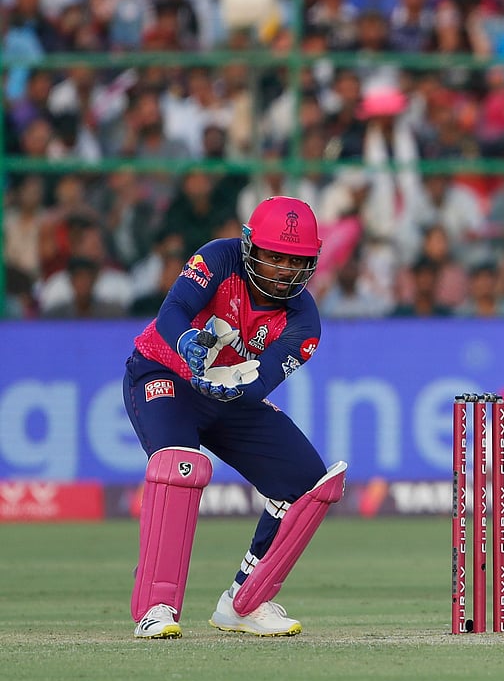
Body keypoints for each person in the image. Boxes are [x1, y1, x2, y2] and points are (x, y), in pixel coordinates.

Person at [123, 197, 347, 639]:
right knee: (179, 467)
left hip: (228, 392)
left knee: (307, 482)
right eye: (275, 256)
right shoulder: (218, 258)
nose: (284, 269)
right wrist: (187, 339)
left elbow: (260, 383)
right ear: (250, 246)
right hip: (163, 372)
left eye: (296, 260)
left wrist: (233, 387)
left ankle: (245, 602)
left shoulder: (305, 322)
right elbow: (173, 312)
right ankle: (156, 608)